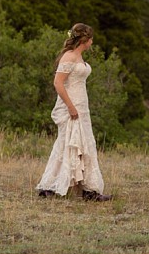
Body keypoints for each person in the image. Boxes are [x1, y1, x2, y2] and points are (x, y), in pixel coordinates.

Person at [36, 23, 111, 201]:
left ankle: (88, 189)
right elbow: (58, 83)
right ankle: (50, 186)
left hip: (82, 105)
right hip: (72, 106)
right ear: (84, 40)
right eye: (91, 38)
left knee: (85, 144)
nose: (92, 42)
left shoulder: (79, 57)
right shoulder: (69, 57)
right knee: (67, 143)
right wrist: (70, 107)